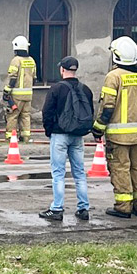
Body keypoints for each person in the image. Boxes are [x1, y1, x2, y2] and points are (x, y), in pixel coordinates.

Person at [93, 36, 137, 219]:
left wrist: (98, 128)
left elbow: (107, 107)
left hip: (118, 137)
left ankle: (123, 207)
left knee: (120, 170)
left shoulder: (113, 77)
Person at [39, 56, 93, 222]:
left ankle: (57, 209)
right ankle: (83, 208)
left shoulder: (56, 89)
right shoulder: (86, 89)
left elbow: (47, 112)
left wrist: (49, 131)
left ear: (62, 69)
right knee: (79, 173)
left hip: (59, 135)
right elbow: (90, 112)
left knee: (58, 173)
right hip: (78, 136)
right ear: (75, 70)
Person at [4, 35, 37, 142]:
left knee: (13, 116)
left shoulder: (16, 60)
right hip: (28, 95)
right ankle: (25, 137)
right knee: (25, 116)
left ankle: (11, 137)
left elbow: (12, 77)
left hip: (17, 94)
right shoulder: (31, 60)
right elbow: (34, 78)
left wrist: (7, 90)